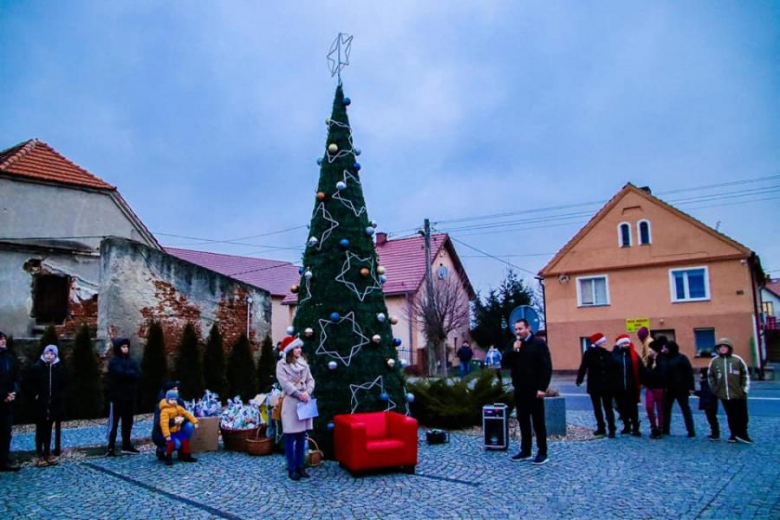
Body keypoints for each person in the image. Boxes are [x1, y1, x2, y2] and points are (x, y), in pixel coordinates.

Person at [503, 319, 552, 465]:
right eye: (516, 329)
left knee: (538, 422)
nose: (518, 332)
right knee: (523, 420)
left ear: (528, 328)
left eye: (521, 329)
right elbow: (505, 363)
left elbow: (546, 367)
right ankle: (526, 450)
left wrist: (542, 388)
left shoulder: (538, 343)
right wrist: (513, 350)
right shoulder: (514, 343)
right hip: (520, 388)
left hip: (535, 389)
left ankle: (542, 452)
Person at [276, 335, 315, 480]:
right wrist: (299, 394)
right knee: (290, 437)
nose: (299, 350)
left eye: (300, 347)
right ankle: (291, 468)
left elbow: (310, 380)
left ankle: (300, 466)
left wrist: (307, 392)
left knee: (301, 437)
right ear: (290, 349)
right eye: (296, 347)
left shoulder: (304, 363)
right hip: (291, 403)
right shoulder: (281, 364)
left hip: (304, 402)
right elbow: (284, 383)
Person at [25, 345, 67, 467]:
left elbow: (63, 385)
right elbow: (29, 384)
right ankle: (39, 454)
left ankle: (47, 452)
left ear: (55, 355)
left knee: (48, 429)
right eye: (47, 353)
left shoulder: (58, 368)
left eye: (52, 354)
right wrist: (35, 395)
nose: (49, 356)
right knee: (40, 429)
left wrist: (59, 398)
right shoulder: (37, 368)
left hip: (53, 404)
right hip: (40, 404)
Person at [708, 338, 752, 444]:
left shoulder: (737, 360)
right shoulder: (714, 361)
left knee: (743, 415)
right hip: (724, 394)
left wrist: (744, 390)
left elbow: (745, 375)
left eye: (725, 347)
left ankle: (743, 434)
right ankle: (733, 435)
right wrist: (715, 390)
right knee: (731, 415)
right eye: (720, 347)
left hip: (738, 394)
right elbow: (710, 376)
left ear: (729, 348)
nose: (722, 349)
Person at [106, 337, 142, 456]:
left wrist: (129, 374)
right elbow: (119, 373)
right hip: (116, 398)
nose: (125, 349)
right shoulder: (114, 361)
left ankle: (126, 444)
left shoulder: (132, 361)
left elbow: (138, 373)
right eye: (123, 347)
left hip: (129, 396)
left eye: (127, 346)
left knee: (128, 422)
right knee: (114, 423)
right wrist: (129, 374)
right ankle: (111, 446)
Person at [576, 332, 616, 438]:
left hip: (606, 385)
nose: (605, 343)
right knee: (597, 408)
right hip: (595, 385)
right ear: (598, 343)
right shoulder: (589, 353)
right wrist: (579, 379)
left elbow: (613, 369)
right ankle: (601, 427)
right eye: (603, 342)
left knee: (608, 407)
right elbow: (583, 367)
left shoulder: (608, 354)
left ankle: (612, 428)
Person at [611, 334, 644, 437]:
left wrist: (642, 381)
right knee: (622, 408)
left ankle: (636, 427)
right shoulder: (614, 355)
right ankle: (626, 425)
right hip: (618, 387)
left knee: (633, 408)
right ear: (619, 344)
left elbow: (641, 368)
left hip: (631, 387)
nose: (626, 345)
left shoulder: (633, 355)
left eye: (627, 343)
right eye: (624, 343)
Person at [661, 341, 695, 438]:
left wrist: (691, 387)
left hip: (681, 388)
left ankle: (690, 430)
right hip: (668, 388)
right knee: (666, 409)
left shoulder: (681, 358)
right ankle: (665, 429)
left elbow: (689, 373)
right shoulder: (663, 358)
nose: (663, 350)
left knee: (685, 409)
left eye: (665, 348)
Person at [152, 380, 190, 461]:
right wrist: (174, 421)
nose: (176, 391)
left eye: (177, 389)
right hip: (162, 433)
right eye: (173, 389)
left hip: (177, 430)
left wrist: (183, 419)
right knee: (176, 444)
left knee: (189, 426)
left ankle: (183, 452)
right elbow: (157, 423)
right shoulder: (161, 404)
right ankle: (162, 449)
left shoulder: (179, 401)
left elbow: (186, 414)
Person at [159, 390, 199, 466]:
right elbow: (164, 423)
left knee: (185, 440)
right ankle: (168, 456)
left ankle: (186, 455)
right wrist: (167, 435)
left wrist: (195, 422)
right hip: (170, 432)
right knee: (171, 442)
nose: (174, 401)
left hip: (177, 430)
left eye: (175, 399)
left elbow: (188, 414)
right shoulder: (165, 411)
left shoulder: (178, 408)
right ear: (167, 400)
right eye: (171, 399)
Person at [0, 331, 20, 472]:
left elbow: (16, 377)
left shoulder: (9, 358)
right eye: (0, 339)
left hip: (8, 402)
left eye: (4, 339)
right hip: (2, 399)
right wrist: (3, 395)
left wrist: (14, 392)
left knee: (6, 433)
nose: (3, 341)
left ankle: (4, 460)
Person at [643, 337, 668, 439]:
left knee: (659, 409)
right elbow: (646, 372)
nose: (649, 351)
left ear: (655, 350)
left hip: (659, 387)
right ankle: (653, 426)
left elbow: (663, 374)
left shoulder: (662, 360)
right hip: (650, 387)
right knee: (649, 407)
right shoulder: (649, 361)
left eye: (651, 349)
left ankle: (660, 428)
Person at [695, 367, 720, 441]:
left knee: (712, 417)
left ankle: (715, 433)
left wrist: (697, 393)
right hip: (708, 401)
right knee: (711, 418)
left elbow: (706, 393)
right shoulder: (706, 381)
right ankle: (715, 432)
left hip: (709, 402)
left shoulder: (708, 382)